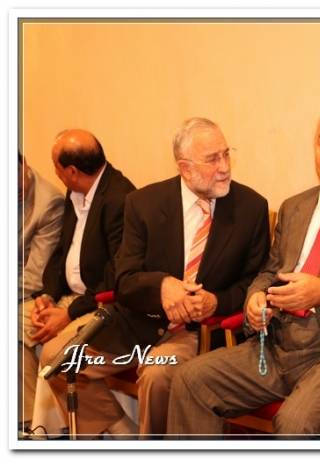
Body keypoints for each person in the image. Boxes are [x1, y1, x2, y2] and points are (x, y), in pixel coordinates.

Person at [166, 109, 320, 437]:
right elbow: (269, 272)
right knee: (189, 380)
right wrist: (255, 299)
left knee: (295, 422)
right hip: (278, 344)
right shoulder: (294, 207)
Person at [41, 117, 271, 438]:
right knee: (57, 359)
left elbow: (254, 282)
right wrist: (162, 286)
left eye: (226, 154)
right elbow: (123, 279)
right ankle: (125, 433)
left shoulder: (251, 208)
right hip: (137, 323)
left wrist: (215, 301)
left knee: (159, 374)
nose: (224, 167)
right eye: (212, 159)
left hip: (196, 333)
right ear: (185, 168)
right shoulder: (144, 203)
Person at [29, 129, 135, 434]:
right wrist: (47, 295)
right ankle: (36, 427)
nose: (54, 171)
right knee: (19, 326)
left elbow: (115, 277)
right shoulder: (76, 191)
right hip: (68, 297)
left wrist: (68, 314)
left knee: (58, 357)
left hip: (102, 304)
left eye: (55, 165)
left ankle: (120, 431)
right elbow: (62, 250)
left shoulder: (120, 199)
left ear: (72, 171)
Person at [18, 151, 64, 428]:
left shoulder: (49, 203)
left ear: (24, 164)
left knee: (14, 327)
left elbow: (35, 277)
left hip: (28, 292)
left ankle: (29, 424)